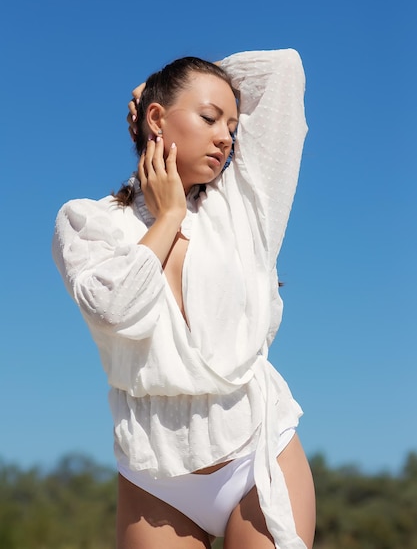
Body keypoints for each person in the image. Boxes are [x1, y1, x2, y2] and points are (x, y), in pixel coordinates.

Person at [52, 49, 315, 549]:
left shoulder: (244, 201)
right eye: (209, 117)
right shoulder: (90, 222)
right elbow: (114, 310)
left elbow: (282, 71)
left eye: (233, 127)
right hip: (156, 470)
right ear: (156, 121)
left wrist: (157, 85)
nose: (226, 137)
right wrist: (168, 216)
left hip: (256, 448)